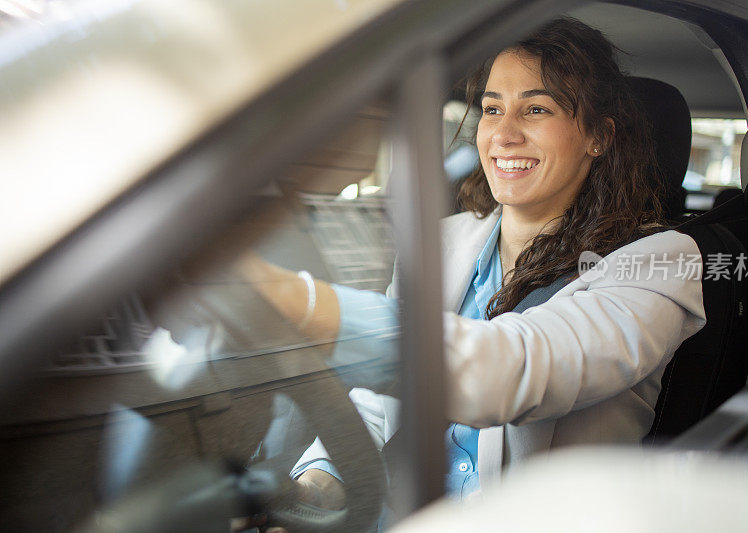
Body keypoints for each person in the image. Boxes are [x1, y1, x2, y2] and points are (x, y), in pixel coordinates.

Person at [238, 16, 706, 511]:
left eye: (536, 109)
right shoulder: (441, 241)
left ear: (598, 137)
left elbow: (520, 367)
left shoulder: (658, 263)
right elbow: (381, 406)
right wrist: (314, 488)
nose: (502, 134)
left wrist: (309, 306)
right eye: (491, 108)